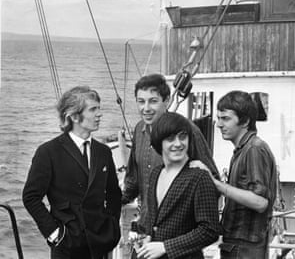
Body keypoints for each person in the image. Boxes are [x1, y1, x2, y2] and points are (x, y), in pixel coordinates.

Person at [23, 86, 122, 259]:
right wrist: (54, 234)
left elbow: (114, 194)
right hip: (67, 245)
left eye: (99, 108)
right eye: (93, 109)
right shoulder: (48, 152)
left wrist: (112, 228)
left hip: (100, 243)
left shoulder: (103, 152)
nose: (100, 114)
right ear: (74, 116)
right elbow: (31, 197)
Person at [122, 73, 220, 230]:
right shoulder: (139, 129)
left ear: (166, 101)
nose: (146, 108)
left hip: (178, 233)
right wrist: (111, 201)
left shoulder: (187, 130)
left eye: (153, 101)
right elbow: (133, 180)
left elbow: (212, 182)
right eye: (141, 102)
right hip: (146, 228)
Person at [134, 112, 220, 259]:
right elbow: (154, 220)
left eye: (182, 137)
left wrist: (166, 247)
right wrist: (148, 237)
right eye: (170, 139)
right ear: (159, 142)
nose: (178, 143)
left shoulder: (199, 176)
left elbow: (210, 230)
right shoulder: (155, 173)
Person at [208, 90, 277, 258]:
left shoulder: (254, 149)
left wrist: (219, 186)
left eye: (225, 118)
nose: (219, 124)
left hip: (245, 249)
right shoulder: (242, 150)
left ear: (245, 121)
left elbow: (260, 202)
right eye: (218, 118)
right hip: (237, 246)